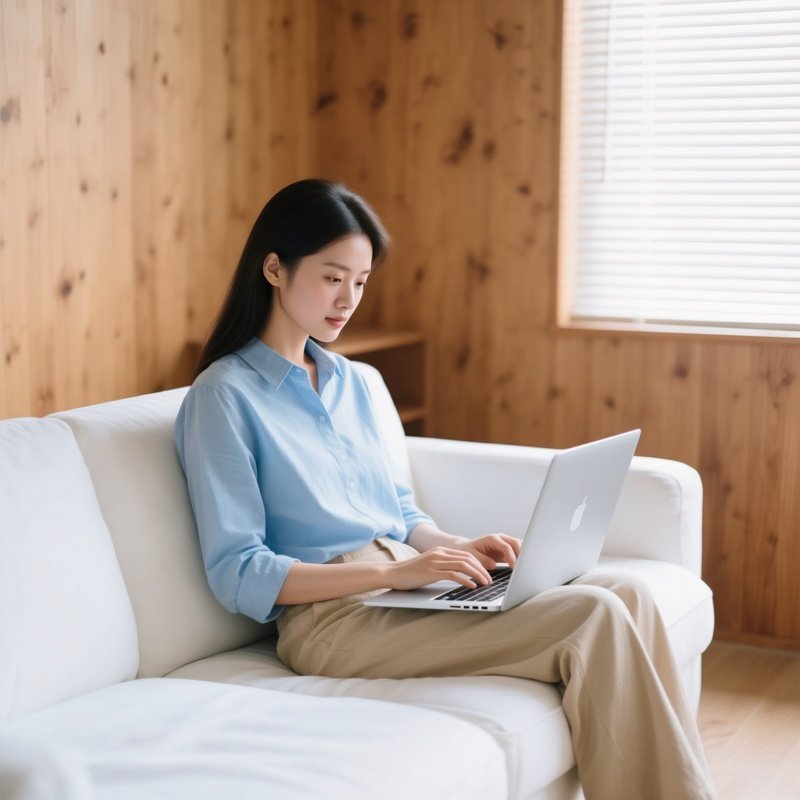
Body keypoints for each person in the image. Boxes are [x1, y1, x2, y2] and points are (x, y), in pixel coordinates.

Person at [175, 178, 716, 800]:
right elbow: (238, 572)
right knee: (591, 616)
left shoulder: (353, 381)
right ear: (274, 267)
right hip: (331, 619)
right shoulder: (223, 397)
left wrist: (456, 546)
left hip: (406, 582)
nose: (348, 299)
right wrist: (391, 576)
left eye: (360, 281)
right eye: (331, 277)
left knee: (628, 592)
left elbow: (396, 511)